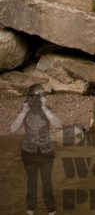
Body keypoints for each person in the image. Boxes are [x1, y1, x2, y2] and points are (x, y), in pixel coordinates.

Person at [10, 87, 60, 215]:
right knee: (31, 183)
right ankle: (30, 208)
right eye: (32, 97)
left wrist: (44, 108)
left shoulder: (47, 109)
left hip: (46, 153)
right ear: (28, 98)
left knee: (47, 183)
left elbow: (58, 124)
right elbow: (13, 129)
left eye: (38, 97)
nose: (35, 100)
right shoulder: (24, 110)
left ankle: (51, 209)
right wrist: (23, 112)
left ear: (42, 98)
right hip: (29, 153)